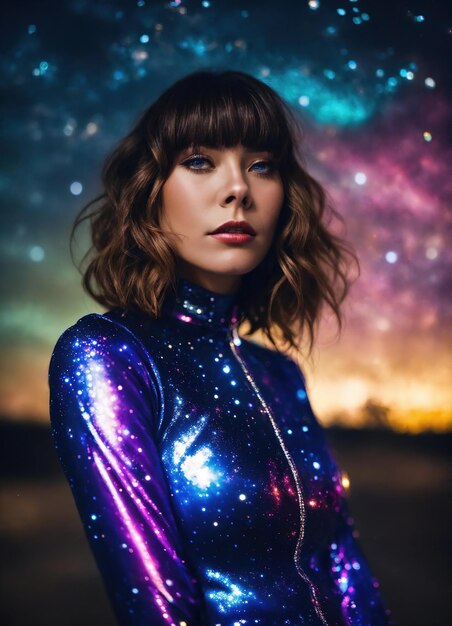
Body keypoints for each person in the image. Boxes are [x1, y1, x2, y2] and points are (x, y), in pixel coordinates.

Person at [48, 70, 392, 626]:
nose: (239, 189)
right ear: (149, 191)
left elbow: (344, 566)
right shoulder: (107, 356)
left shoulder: (281, 373)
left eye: (262, 165)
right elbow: (158, 609)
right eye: (200, 161)